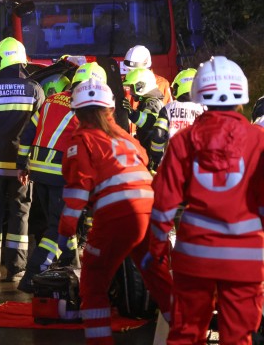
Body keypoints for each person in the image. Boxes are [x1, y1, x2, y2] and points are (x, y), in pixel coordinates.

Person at [147, 56, 264, 344]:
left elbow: (163, 206)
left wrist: (157, 248)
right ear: (242, 95)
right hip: (246, 258)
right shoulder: (258, 140)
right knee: (238, 337)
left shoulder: (183, 141)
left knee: (186, 333)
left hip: (195, 255)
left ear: (200, 95)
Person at [57, 78, 156, 345]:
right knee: (157, 277)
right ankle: (183, 331)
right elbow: (144, 160)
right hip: (150, 212)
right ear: (110, 108)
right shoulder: (124, 136)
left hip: (118, 214)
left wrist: (66, 228)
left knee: (93, 280)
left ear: (76, 112)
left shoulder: (82, 140)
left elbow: (79, 187)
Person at [15, 62, 107, 293]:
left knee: (63, 224)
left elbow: (28, 132)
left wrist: (22, 165)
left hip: (39, 171)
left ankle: (71, 265)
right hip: (61, 173)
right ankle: (32, 276)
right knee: (58, 229)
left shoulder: (52, 99)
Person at [0, 37, 45, 282]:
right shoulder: (35, 89)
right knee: (19, 213)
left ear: (3, 60)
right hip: (22, 168)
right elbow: (41, 130)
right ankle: (17, 268)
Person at [149, 68, 204, 171]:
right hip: (197, 164)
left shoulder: (168, 109)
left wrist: (156, 159)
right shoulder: (204, 109)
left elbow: (158, 136)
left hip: (172, 163)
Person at [122, 67, 164, 155]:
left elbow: (149, 122)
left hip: (151, 151)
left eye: (132, 88)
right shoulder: (149, 101)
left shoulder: (153, 102)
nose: (131, 93)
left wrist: (131, 113)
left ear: (141, 86)